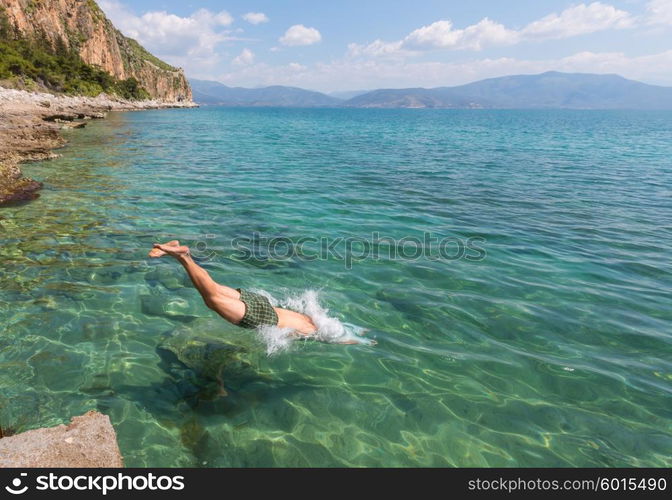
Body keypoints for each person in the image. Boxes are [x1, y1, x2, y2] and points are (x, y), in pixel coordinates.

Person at [149, 241, 368, 345]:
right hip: (262, 316)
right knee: (211, 298)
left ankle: (180, 253)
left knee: (213, 288)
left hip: (263, 304)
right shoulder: (315, 333)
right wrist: (362, 343)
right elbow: (340, 338)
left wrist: (358, 331)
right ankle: (184, 256)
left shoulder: (310, 317)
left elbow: (344, 330)